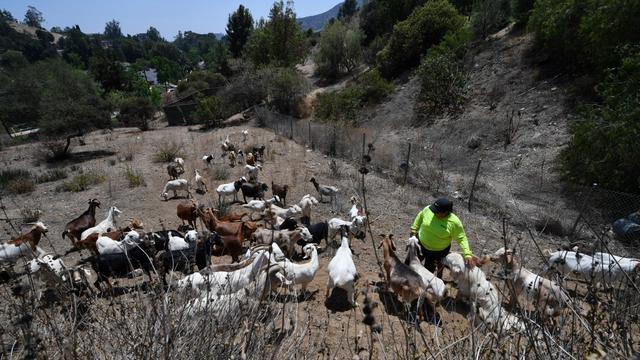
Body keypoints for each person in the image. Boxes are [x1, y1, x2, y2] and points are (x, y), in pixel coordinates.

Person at [410, 197, 475, 277]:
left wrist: (467, 254)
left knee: (427, 272)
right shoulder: (429, 209)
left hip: (436, 252)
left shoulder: (454, 222)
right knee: (411, 264)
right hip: (420, 244)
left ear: (446, 212)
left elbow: (461, 238)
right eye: (433, 210)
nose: (434, 212)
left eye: (437, 212)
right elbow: (420, 216)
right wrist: (414, 228)